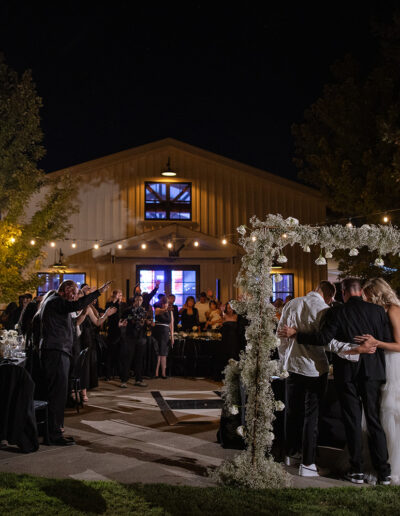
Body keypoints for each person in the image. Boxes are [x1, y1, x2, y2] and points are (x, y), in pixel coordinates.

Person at [279, 277, 392, 485]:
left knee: (352, 421)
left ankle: (357, 470)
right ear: (361, 292)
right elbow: (385, 340)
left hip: (347, 373)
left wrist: (297, 335)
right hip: (373, 372)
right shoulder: (377, 312)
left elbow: (323, 339)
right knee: (375, 421)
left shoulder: (337, 311)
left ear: (343, 292)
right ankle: (384, 472)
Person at [40, 279, 111, 445]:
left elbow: (71, 321)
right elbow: (75, 306)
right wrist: (98, 292)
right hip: (56, 352)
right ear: (66, 289)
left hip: (58, 351)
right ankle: (54, 435)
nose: (74, 296)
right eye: (74, 292)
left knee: (58, 394)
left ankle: (54, 431)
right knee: (57, 395)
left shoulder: (56, 303)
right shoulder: (56, 301)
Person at [352, 278, 400, 485]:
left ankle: (392, 466)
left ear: (376, 293)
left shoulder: (393, 309)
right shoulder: (375, 311)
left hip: (392, 363)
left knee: (389, 411)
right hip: (379, 362)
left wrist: (376, 342)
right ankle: (378, 461)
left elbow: (399, 344)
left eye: (368, 295)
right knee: (375, 413)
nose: (366, 299)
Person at [79, 286, 117, 402]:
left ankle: (83, 391)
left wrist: (106, 314)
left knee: (85, 364)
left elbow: (97, 322)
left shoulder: (89, 308)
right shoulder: (74, 307)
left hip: (86, 337)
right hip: (74, 337)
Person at [119, 295, 149, 388]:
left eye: (141, 300)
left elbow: (144, 323)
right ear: (134, 300)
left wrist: (147, 323)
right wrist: (129, 319)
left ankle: (138, 380)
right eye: (138, 300)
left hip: (140, 337)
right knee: (128, 359)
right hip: (130, 337)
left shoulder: (143, 311)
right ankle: (124, 380)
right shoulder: (128, 310)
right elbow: (123, 320)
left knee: (139, 359)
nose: (139, 301)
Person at [104, 289, 123, 380]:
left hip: (118, 330)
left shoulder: (120, 305)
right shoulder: (109, 304)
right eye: (119, 294)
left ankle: (117, 373)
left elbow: (120, 316)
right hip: (112, 329)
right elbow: (109, 316)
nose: (120, 296)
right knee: (110, 353)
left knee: (118, 353)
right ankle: (108, 374)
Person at [153, 296, 174, 378]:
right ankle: (156, 373)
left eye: (166, 303)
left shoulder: (170, 312)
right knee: (157, 353)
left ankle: (163, 373)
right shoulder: (158, 309)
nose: (165, 305)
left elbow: (171, 325)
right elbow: (156, 312)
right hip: (157, 331)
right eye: (163, 303)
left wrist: (172, 337)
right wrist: (164, 309)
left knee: (164, 353)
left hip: (165, 332)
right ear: (161, 303)